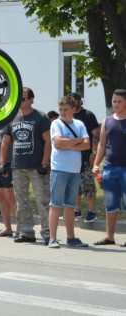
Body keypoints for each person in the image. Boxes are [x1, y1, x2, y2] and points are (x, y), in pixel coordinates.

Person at [0, 87, 52, 245]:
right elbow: (6, 142)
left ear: (31, 99)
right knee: (21, 201)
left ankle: (49, 232)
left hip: (37, 166)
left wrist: (44, 163)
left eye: (23, 99)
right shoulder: (13, 118)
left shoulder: (41, 117)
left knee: (42, 200)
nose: (20, 102)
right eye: (18, 99)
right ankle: (26, 231)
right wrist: (2, 163)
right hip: (18, 166)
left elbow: (48, 141)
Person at [48, 96, 90, 248]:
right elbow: (58, 142)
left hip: (74, 170)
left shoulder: (79, 124)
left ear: (73, 109)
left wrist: (69, 145)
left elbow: (87, 145)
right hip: (59, 169)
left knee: (70, 205)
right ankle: (52, 238)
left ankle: (71, 237)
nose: (63, 113)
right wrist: (76, 141)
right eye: (60, 110)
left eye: (66, 110)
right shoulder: (56, 123)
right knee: (55, 204)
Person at [93, 89, 126, 246]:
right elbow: (102, 144)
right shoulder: (107, 120)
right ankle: (109, 237)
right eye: (114, 101)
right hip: (110, 167)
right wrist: (96, 164)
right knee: (111, 204)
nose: (116, 104)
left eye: (119, 101)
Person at [69, 93, 101, 222]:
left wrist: (94, 152)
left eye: (74, 100)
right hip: (72, 157)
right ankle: (77, 211)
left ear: (79, 101)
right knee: (75, 186)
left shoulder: (88, 115)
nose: (72, 102)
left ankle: (92, 211)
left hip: (87, 156)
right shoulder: (69, 116)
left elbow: (95, 135)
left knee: (88, 185)